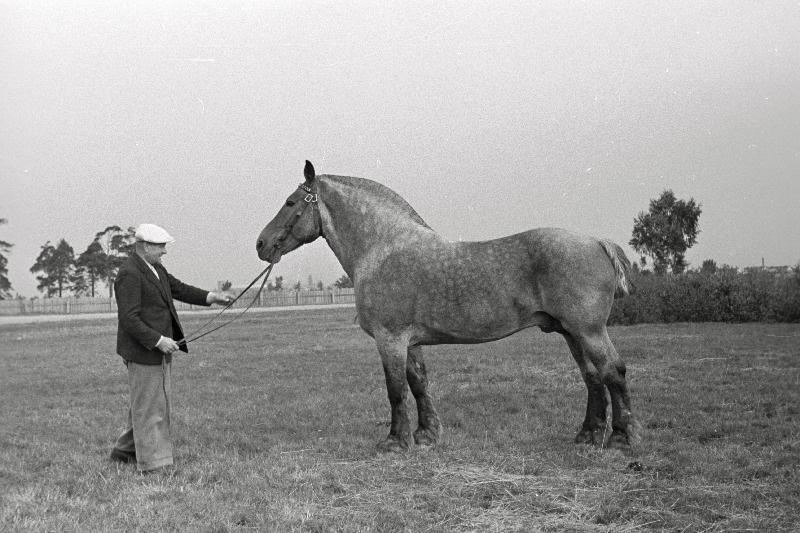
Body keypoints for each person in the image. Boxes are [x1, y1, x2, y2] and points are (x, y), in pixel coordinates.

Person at [109, 223, 233, 474]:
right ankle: (153, 464)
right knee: (150, 407)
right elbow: (129, 318)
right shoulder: (129, 273)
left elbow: (179, 289)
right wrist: (158, 340)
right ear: (145, 247)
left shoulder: (155, 269)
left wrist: (211, 297)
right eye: (161, 246)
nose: (164, 251)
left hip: (157, 351)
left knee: (149, 401)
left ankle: (124, 451)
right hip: (145, 351)